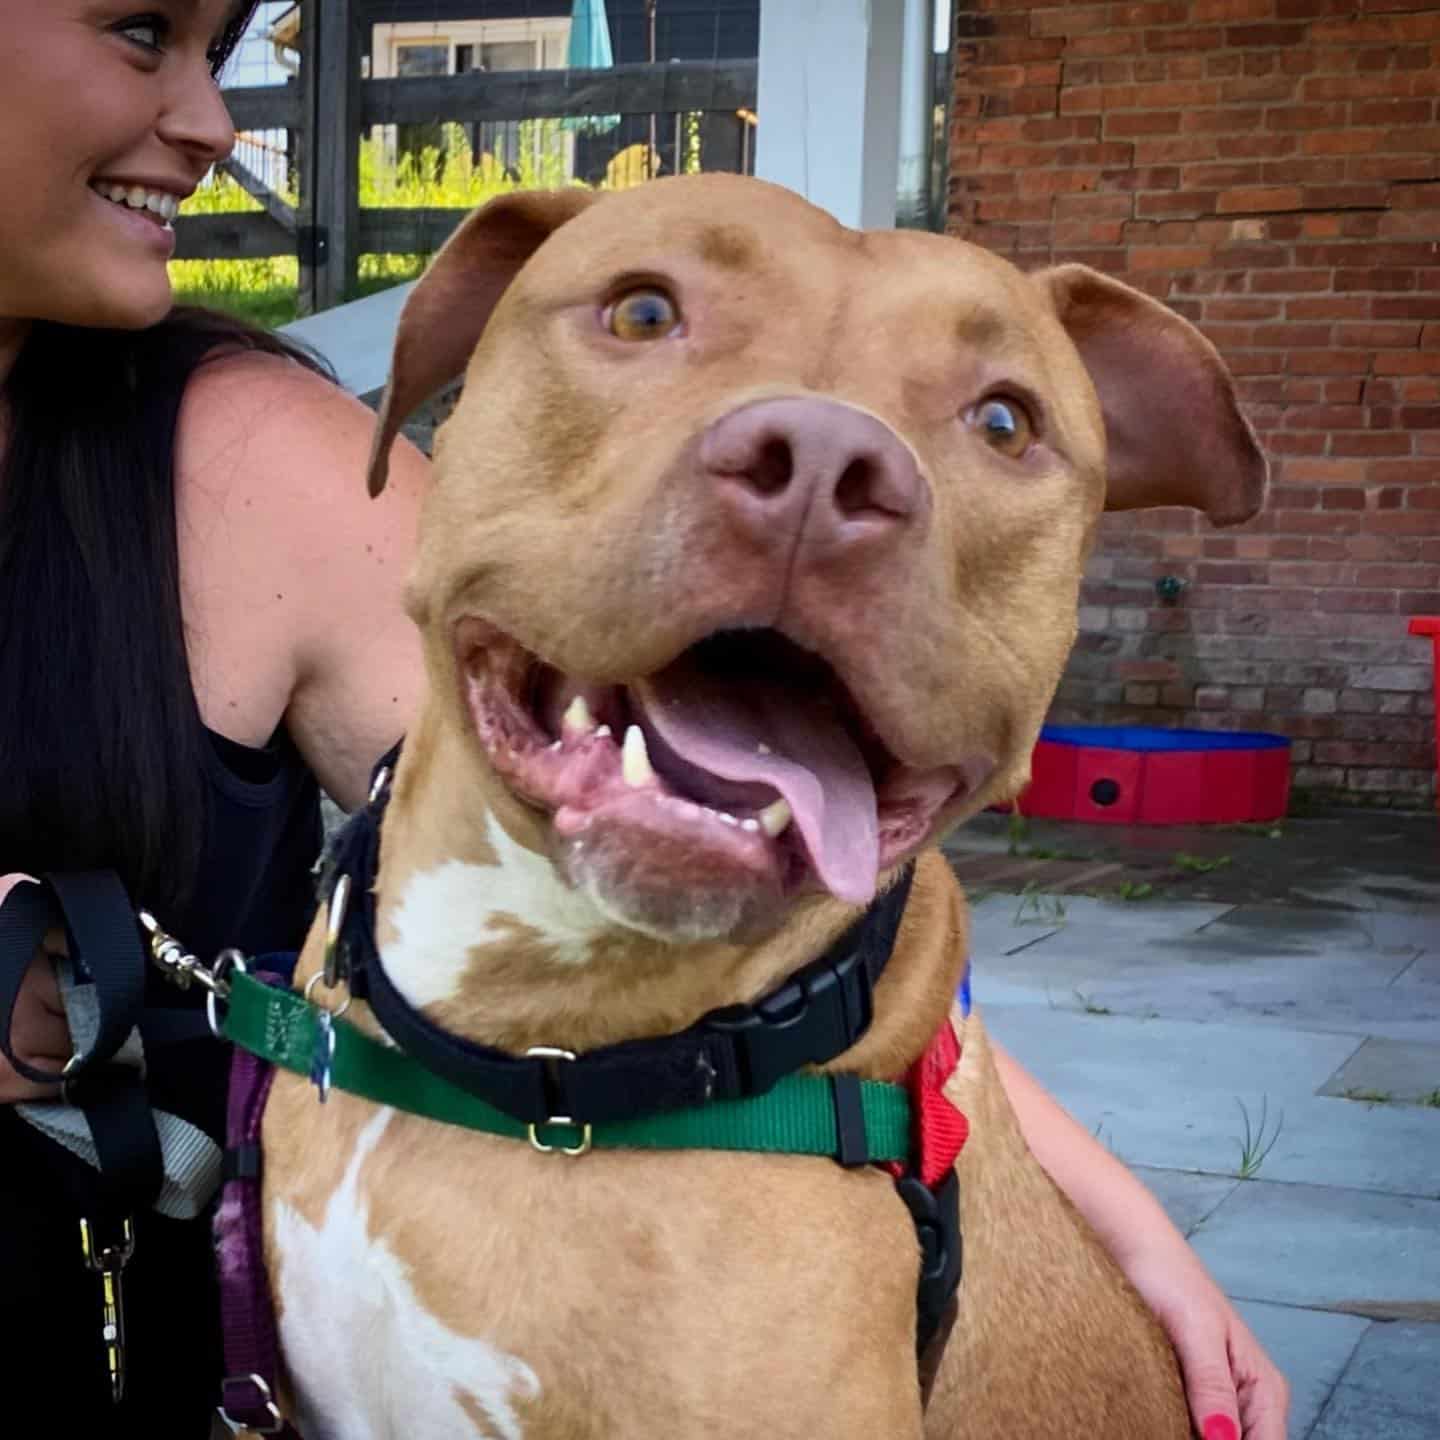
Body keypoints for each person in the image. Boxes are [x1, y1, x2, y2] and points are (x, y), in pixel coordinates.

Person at [0, 3, 1287, 1436]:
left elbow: (822, 974)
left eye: (994, 421)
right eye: (138, 31)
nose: (213, 120)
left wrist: (1106, 1215)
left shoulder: (247, 471)